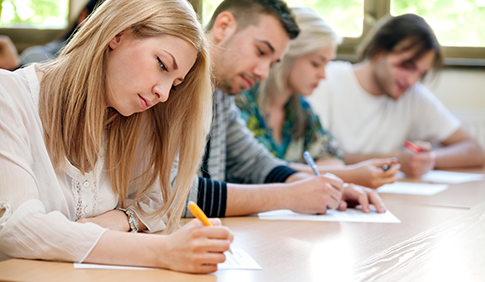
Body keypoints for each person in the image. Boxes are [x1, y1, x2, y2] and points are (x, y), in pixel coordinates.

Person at [0, 0, 233, 274]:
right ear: (117, 34)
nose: (165, 94)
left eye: (175, 82)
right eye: (162, 65)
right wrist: (164, 251)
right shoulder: (9, 97)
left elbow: (159, 199)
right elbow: (17, 227)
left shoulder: (133, 117)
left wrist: (119, 220)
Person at [180, 0, 387, 217]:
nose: (263, 73)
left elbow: (255, 161)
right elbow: (168, 195)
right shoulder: (174, 85)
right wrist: (289, 196)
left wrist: (327, 189)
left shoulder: (221, 92)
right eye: (261, 51)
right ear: (223, 27)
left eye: (272, 63)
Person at [236, 7, 400, 189]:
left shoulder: (299, 108)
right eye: (316, 63)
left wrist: (338, 175)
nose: (323, 75)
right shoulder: (240, 100)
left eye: (326, 64)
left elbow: (329, 154)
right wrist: (350, 175)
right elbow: (258, 168)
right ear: (287, 55)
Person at [308, 14, 485, 177]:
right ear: (379, 51)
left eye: (421, 74)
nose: (412, 80)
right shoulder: (325, 80)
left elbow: (475, 151)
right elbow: (309, 157)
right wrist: (396, 159)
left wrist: (429, 159)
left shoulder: (413, 95)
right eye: (406, 66)